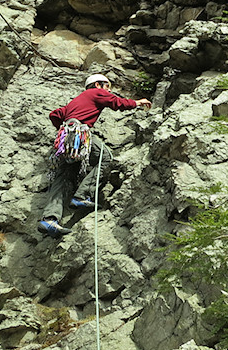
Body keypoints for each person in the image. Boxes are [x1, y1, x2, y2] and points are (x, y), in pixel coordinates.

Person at [38, 73, 152, 238]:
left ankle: (49, 219)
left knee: (63, 177)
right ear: (98, 85)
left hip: (66, 138)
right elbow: (116, 102)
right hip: (79, 133)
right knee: (104, 158)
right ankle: (82, 195)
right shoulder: (95, 92)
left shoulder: (76, 100)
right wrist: (137, 103)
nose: (108, 90)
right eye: (107, 86)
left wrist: (64, 128)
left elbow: (55, 114)